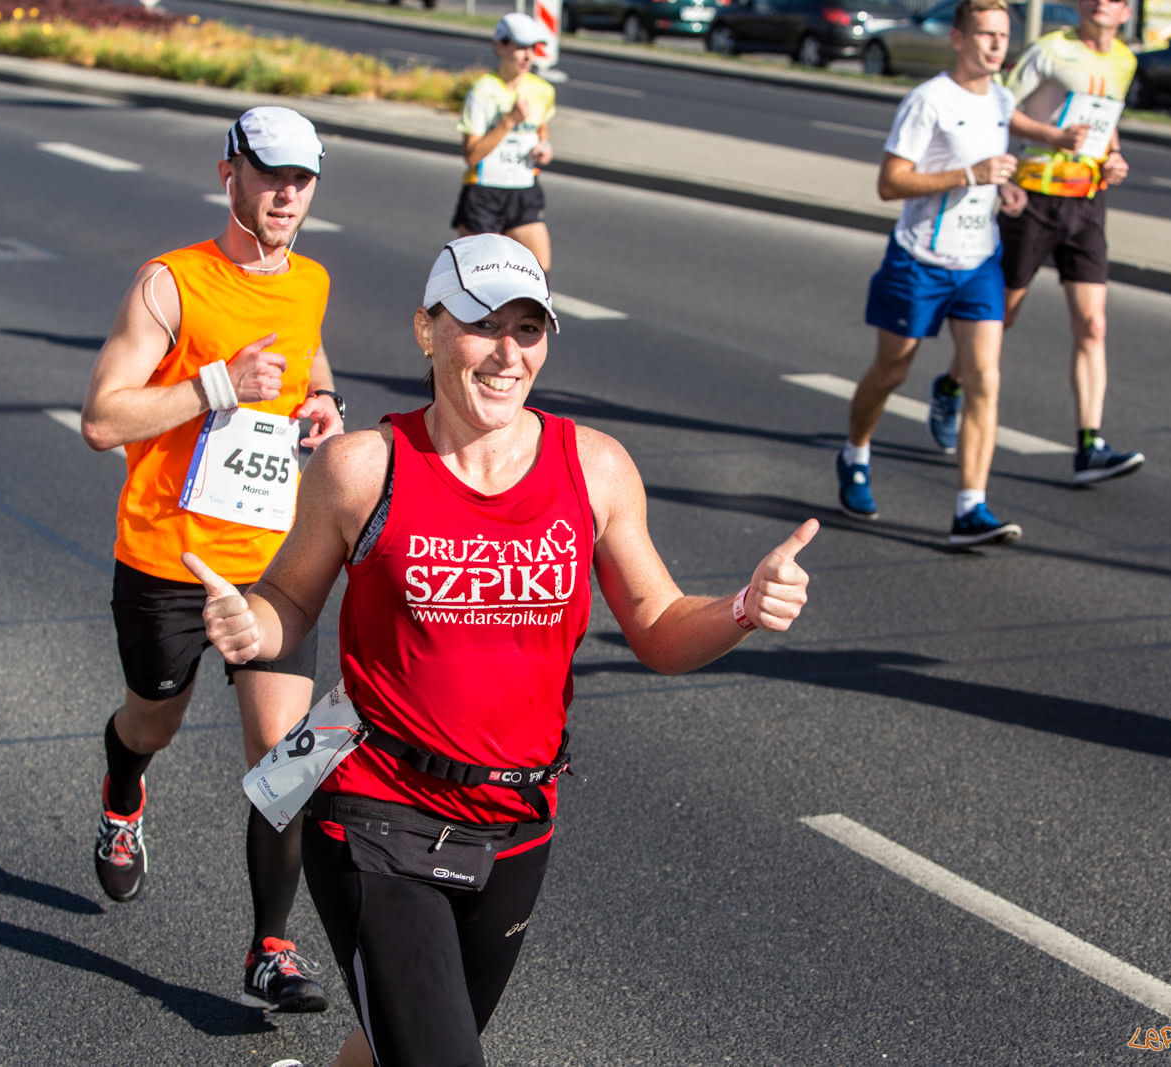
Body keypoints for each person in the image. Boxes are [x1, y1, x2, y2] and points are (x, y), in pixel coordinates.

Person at [184, 233, 819, 1067]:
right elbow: (289, 600)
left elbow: (658, 625)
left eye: (529, 328)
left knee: (396, 1046)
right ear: (426, 329)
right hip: (379, 808)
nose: (507, 352)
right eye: (482, 324)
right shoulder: (364, 467)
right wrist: (252, 626)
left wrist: (743, 607)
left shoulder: (593, 468)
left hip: (517, 820)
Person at [78, 105, 346, 1015]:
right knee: (152, 721)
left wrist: (325, 407)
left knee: (286, 759)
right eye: (269, 173)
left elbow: (310, 364)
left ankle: (270, 946)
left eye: (302, 178)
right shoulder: (172, 284)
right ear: (227, 171)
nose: (286, 193)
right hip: (168, 561)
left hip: (275, 568)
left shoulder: (309, 281)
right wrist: (218, 384)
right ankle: (124, 788)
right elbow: (103, 419)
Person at [837, 0, 1083, 547]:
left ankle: (970, 506)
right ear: (958, 38)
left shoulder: (999, 97)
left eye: (1003, 36)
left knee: (985, 381)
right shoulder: (929, 101)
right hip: (920, 259)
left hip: (978, 262)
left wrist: (1006, 188)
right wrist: (970, 174)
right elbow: (890, 183)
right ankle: (855, 453)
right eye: (986, 35)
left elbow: (1005, 141)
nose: (997, 46)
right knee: (891, 371)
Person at [928, 0, 1143, 486]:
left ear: (1126, 10)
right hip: (1036, 198)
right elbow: (998, 109)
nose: (1101, 4)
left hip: (1087, 199)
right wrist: (1029, 156)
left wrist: (1114, 158)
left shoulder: (1125, 61)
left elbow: (1105, 127)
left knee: (1093, 324)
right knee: (1000, 317)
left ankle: (1090, 443)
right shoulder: (1050, 50)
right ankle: (950, 386)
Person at [451, 12, 556, 271]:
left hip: (523, 189)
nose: (528, 56)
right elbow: (472, 155)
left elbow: (542, 135)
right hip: (485, 191)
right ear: (500, 46)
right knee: (480, 277)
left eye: (532, 48)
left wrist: (545, 151)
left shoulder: (542, 90)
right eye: (520, 48)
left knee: (538, 274)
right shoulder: (483, 91)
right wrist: (508, 121)